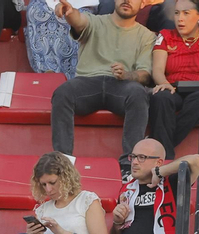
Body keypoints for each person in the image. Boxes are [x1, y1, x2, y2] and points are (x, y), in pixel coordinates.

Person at [50, 0, 154, 157]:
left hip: (122, 86)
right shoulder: (95, 21)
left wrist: (127, 75)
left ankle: (131, 163)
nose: (126, 1)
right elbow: (79, 21)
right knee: (62, 93)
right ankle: (63, 161)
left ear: (143, 3)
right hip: (87, 82)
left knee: (138, 94)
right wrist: (70, 13)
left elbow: (145, 74)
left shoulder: (147, 36)